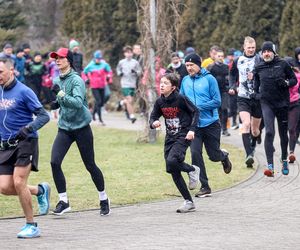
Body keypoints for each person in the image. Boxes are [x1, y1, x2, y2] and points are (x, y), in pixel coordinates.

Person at [49, 48, 110, 216]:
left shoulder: (77, 80)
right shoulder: (57, 79)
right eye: (56, 58)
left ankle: (104, 198)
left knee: (90, 165)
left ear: (69, 60)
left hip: (82, 128)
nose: (57, 60)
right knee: (54, 162)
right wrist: (56, 103)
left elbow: (76, 103)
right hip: (65, 128)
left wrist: (59, 94)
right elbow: (63, 100)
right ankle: (64, 201)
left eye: (60, 58)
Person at [0, 58, 50, 238]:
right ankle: (39, 190)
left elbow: (44, 116)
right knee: (5, 187)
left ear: (11, 70)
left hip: (26, 142)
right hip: (5, 145)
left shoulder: (24, 91)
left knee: (19, 182)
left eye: (1, 72)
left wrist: (28, 129)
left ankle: (32, 225)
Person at [180, 53, 232, 197]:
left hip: (211, 123)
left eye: (192, 65)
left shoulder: (210, 79)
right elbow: (181, 100)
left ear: (199, 64)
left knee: (213, 155)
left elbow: (217, 101)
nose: (189, 68)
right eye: (187, 65)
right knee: (195, 153)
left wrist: (197, 106)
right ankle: (205, 186)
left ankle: (223, 156)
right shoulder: (185, 80)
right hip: (193, 125)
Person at [149, 73, 200, 213]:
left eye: (165, 83)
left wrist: (192, 130)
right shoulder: (160, 101)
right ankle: (189, 202)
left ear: (173, 87)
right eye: (161, 82)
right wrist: (153, 122)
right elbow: (153, 115)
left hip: (183, 135)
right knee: (172, 169)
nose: (162, 85)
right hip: (170, 137)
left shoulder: (180, 98)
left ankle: (192, 170)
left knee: (172, 161)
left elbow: (196, 111)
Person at [254, 41, 297, 177]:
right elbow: (255, 85)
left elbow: (293, 80)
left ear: (274, 52)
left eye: (269, 51)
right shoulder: (259, 66)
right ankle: (270, 166)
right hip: (267, 103)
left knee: (283, 134)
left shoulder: (283, 64)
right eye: (264, 51)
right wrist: (256, 94)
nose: (266, 54)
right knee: (269, 132)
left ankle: (284, 159)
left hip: (283, 103)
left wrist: (286, 83)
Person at [229, 36, 262, 168]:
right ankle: (248, 155)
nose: (251, 50)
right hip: (242, 97)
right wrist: (232, 86)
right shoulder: (238, 60)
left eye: (253, 47)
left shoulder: (259, 59)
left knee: (255, 131)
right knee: (245, 124)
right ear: (244, 47)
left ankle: (253, 143)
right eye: (249, 48)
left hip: (257, 98)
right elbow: (232, 74)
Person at [83, 50, 113, 125]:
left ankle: (93, 113)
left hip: (102, 85)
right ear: (94, 58)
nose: (98, 60)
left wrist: (109, 76)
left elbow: (109, 71)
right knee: (99, 101)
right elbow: (84, 72)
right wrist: (86, 79)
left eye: (99, 58)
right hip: (94, 86)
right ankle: (100, 120)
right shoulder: (91, 65)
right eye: (97, 58)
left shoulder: (104, 64)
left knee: (101, 102)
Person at [207, 49, 231, 136]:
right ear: (215, 56)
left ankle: (225, 129)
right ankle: (216, 128)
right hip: (214, 92)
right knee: (216, 110)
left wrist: (230, 87)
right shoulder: (210, 67)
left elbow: (229, 79)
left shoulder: (226, 67)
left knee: (224, 109)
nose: (220, 58)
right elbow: (207, 80)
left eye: (222, 56)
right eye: (219, 56)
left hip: (224, 91)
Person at [116, 45, 142, 123]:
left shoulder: (135, 62)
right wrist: (120, 73)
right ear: (124, 54)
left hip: (133, 84)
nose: (129, 54)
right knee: (129, 100)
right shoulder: (121, 62)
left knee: (129, 101)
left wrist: (135, 72)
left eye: (130, 52)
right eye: (127, 53)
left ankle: (121, 102)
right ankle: (132, 116)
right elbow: (118, 69)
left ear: (132, 53)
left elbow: (140, 72)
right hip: (125, 83)